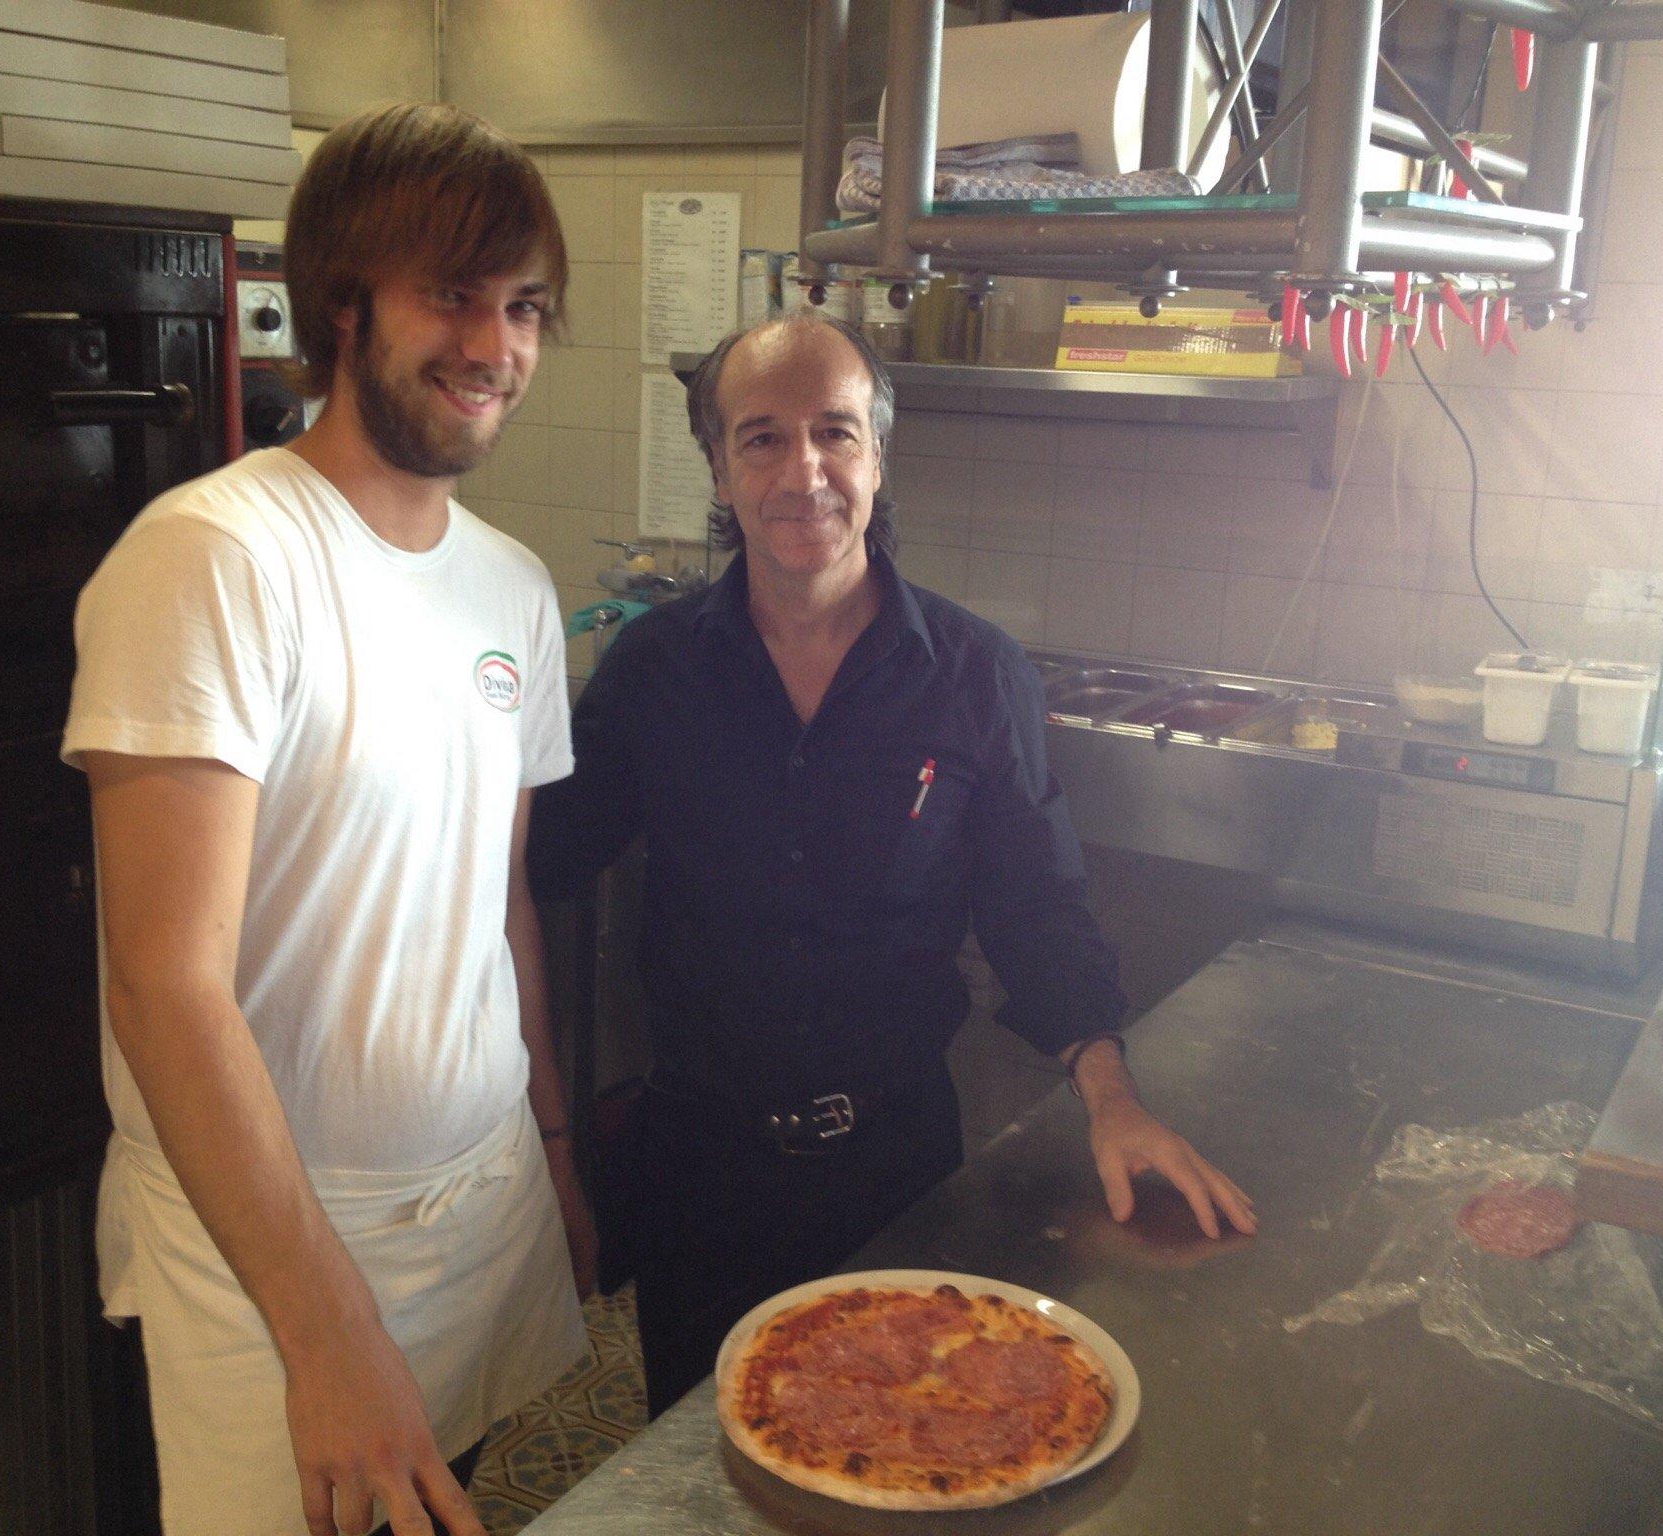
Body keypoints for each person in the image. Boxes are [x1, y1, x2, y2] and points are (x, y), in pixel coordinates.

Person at [528, 310, 1257, 1415]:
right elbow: (540, 861)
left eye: (836, 432)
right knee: (702, 1462)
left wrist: (1112, 1095)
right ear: (719, 471)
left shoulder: (972, 674)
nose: (803, 470)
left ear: (878, 453)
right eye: (761, 438)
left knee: (907, 1440)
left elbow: (1037, 906)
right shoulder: (653, 669)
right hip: (697, 1177)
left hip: (896, 1173)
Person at [62, 104, 594, 1536]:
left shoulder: (513, 589)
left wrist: (551, 1154)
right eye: (454, 296)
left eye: (525, 306)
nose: (495, 348)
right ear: (340, 304)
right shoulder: (218, 559)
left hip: (488, 1213)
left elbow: (501, 906)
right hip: (279, 1263)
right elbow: (161, 983)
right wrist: (329, 1334)